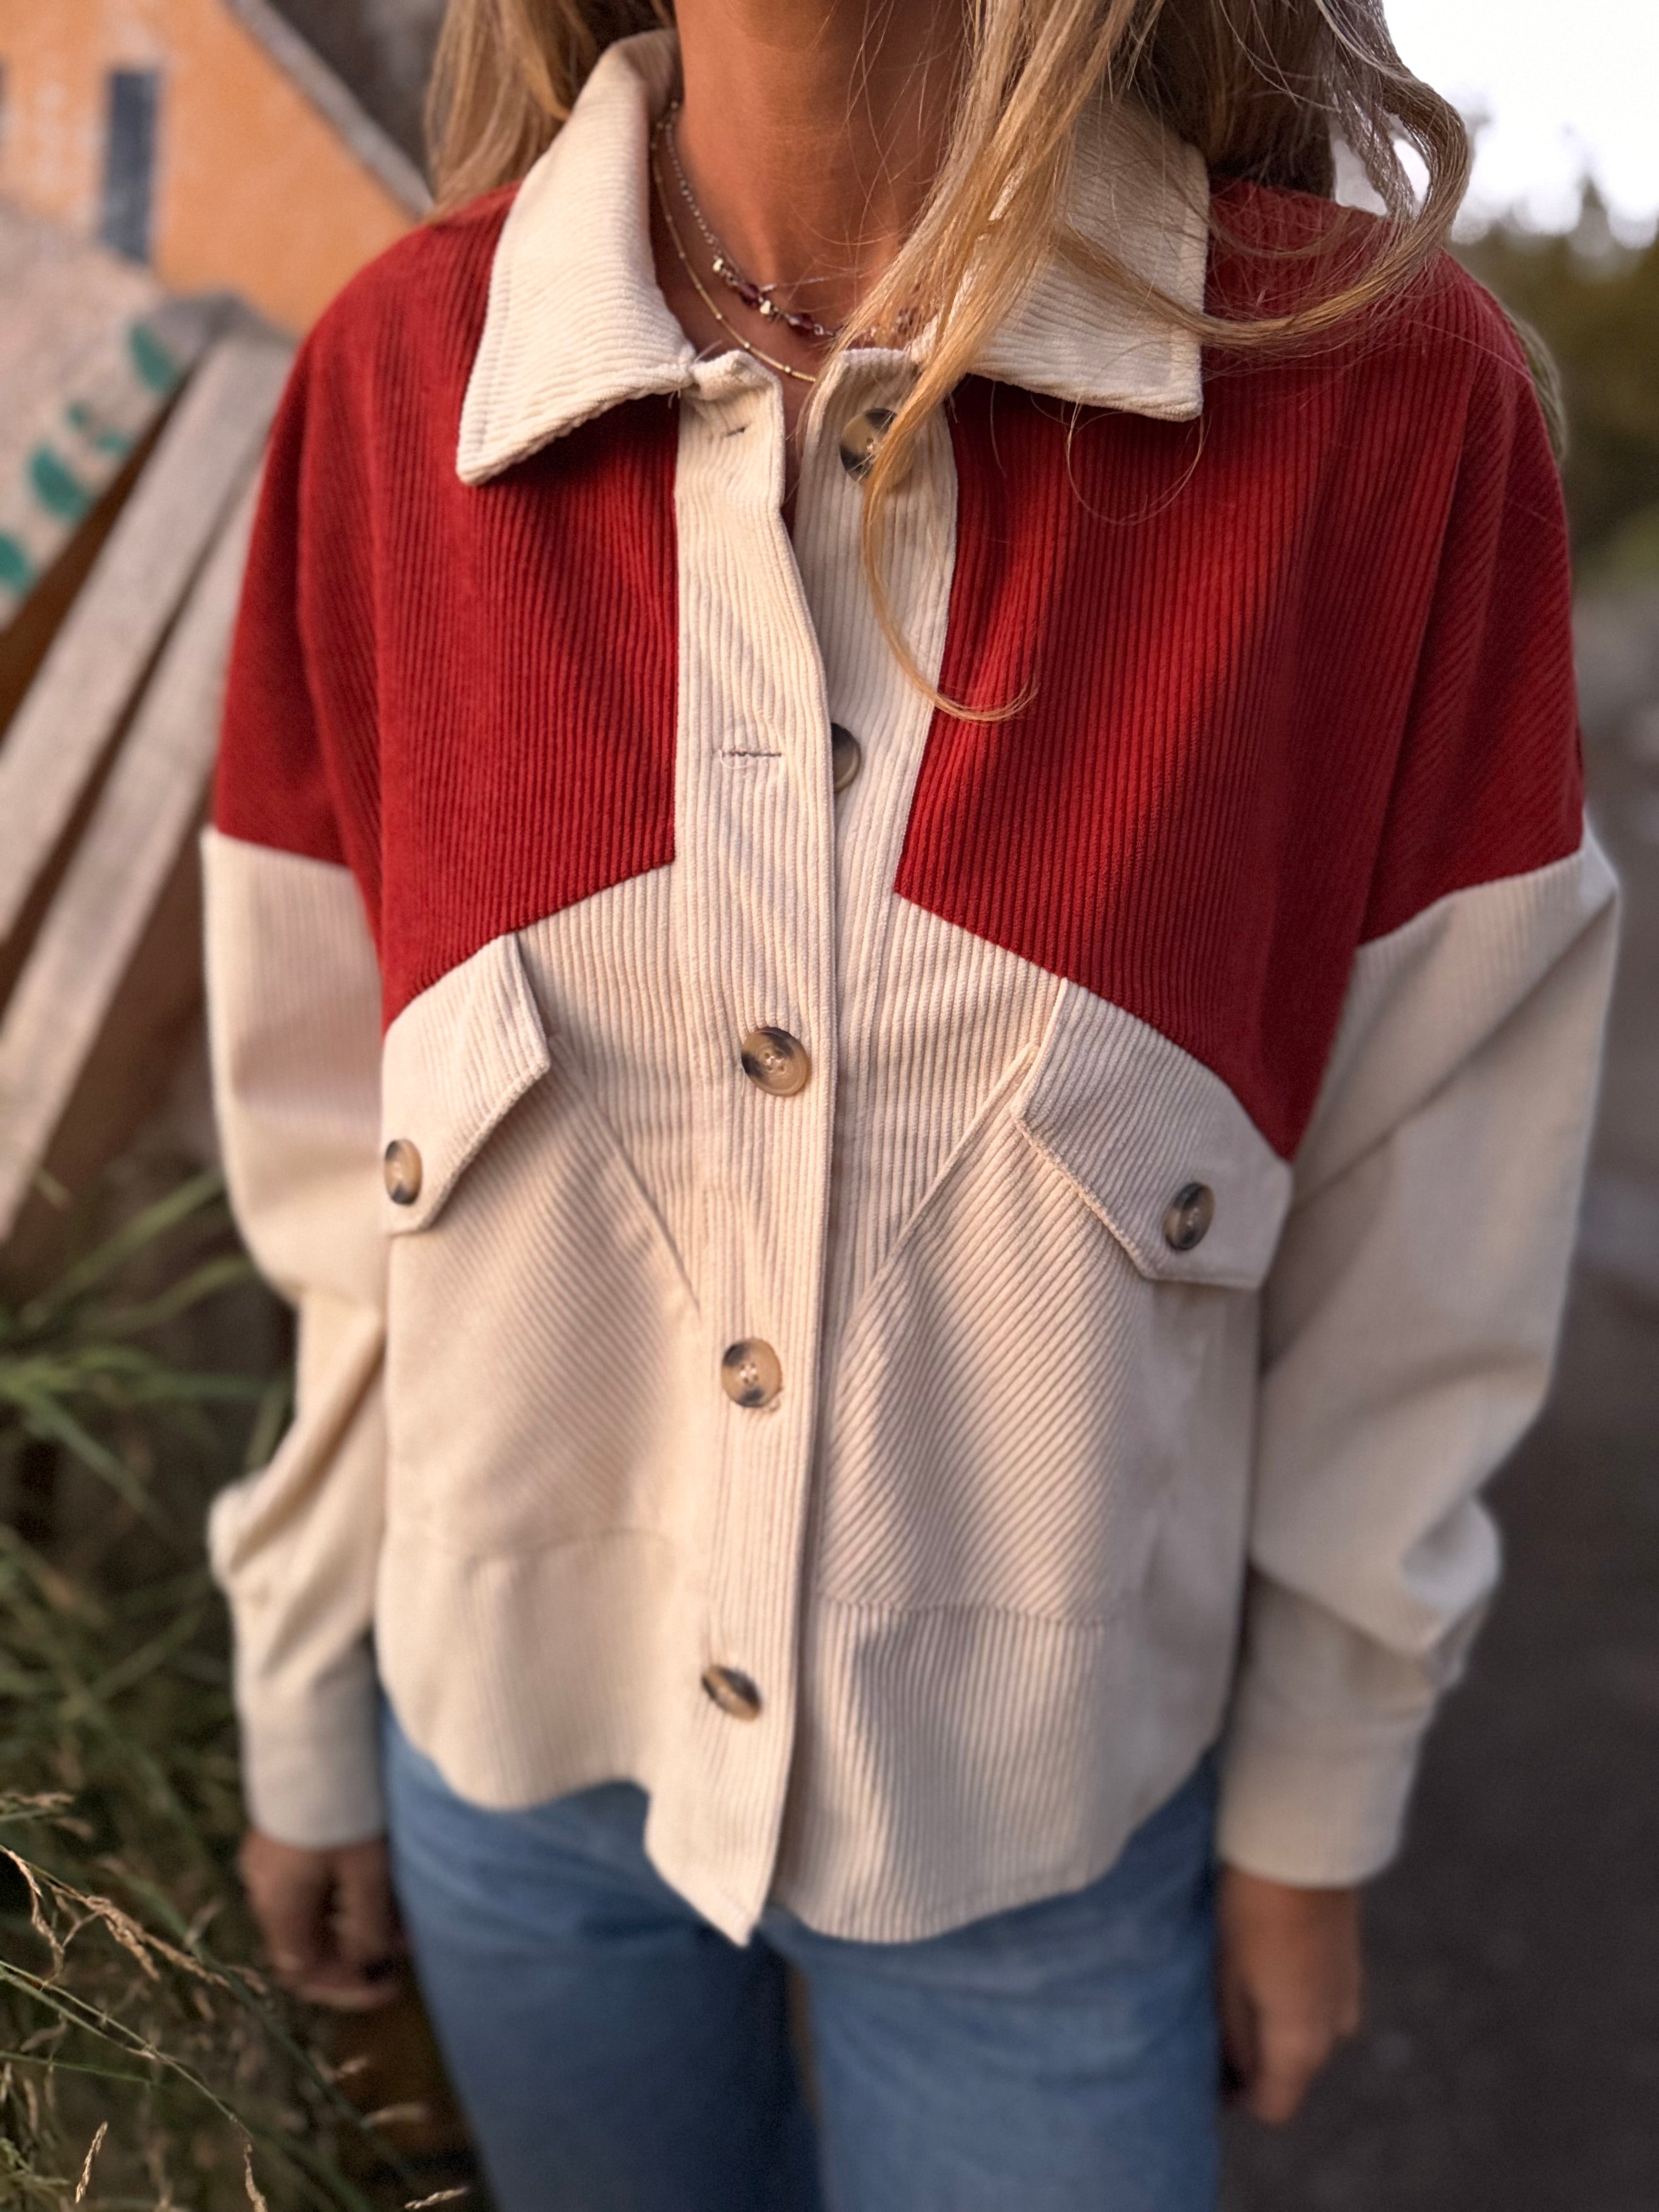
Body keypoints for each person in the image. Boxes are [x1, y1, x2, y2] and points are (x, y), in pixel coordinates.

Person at [204, 1, 1617, 2205]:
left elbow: (1431, 1203)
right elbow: (332, 1180)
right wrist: (301, 1698)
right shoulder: (397, 389)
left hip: (1049, 1838)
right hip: (512, 1770)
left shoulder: (1373, 412)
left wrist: (1317, 1801)